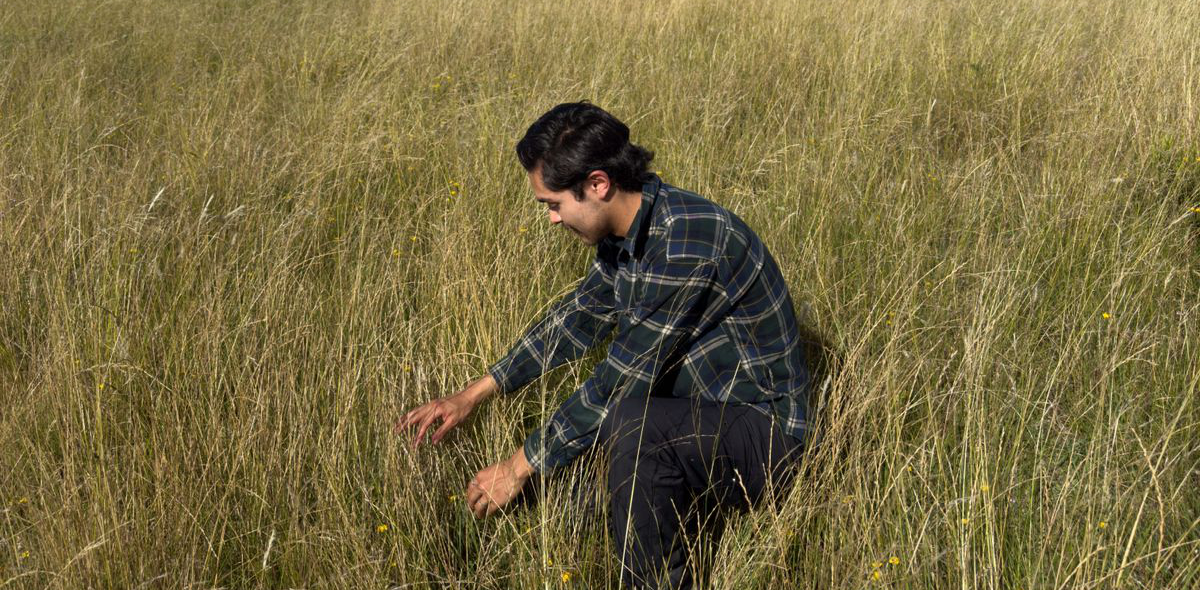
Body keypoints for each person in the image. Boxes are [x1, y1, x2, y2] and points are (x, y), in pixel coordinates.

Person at [397, 101, 813, 589]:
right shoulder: (629, 230)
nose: (552, 218)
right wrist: (473, 393)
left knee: (630, 425)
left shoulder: (686, 242)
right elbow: (575, 321)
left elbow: (619, 382)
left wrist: (517, 467)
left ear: (597, 184)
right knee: (584, 469)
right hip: (703, 415)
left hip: (770, 443)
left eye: (553, 203)